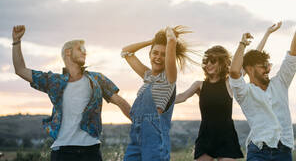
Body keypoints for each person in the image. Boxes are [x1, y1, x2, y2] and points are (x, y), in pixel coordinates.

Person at [12, 25, 131, 161]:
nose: (85, 53)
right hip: (63, 151)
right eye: (81, 49)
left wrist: (141, 124)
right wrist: (16, 41)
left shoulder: (97, 79)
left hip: (91, 150)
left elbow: (121, 102)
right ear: (68, 52)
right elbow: (20, 70)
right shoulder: (53, 81)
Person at [229, 0, 296, 161]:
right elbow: (234, 71)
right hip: (258, 152)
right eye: (262, 67)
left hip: (283, 151)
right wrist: (242, 44)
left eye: (267, 66)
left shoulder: (280, 82)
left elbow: (293, 54)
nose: (267, 70)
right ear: (250, 69)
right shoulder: (245, 92)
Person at [121, 26, 194, 161]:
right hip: (137, 134)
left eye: (163, 54)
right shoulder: (147, 75)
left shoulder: (169, 77)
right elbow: (126, 52)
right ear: (150, 54)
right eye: (155, 53)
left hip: (155, 137)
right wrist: (152, 41)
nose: (158, 57)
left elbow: (171, 41)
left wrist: (169, 35)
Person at [175, 45, 244, 161]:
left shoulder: (229, 83)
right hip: (206, 137)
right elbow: (182, 97)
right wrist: (159, 101)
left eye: (213, 61)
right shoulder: (199, 85)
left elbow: (243, 66)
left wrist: (243, 44)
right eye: (206, 61)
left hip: (226, 137)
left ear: (222, 63)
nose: (208, 64)